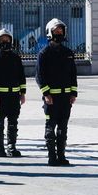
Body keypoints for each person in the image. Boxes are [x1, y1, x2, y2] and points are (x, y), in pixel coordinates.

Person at [36, 19, 78, 166]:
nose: (59, 33)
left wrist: (73, 93)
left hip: (65, 97)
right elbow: (40, 76)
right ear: (50, 33)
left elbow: (73, 74)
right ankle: (51, 157)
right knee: (50, 127)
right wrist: (46, 94)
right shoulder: (44, 53)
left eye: (61, 31)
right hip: (51, 98)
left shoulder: (68, 53)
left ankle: (61, 156)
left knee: (63, 128)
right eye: (56, 31)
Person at [0, 28, 26, 157]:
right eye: (2, 40)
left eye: (7, 40)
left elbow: (21, 76)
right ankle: (0, 149)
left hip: (14, 96)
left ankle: (11, 147)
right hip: (0, 97)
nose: (5, 42)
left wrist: (22, 93)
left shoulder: (16, 58)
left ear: (11, 41)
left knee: (13, 123)